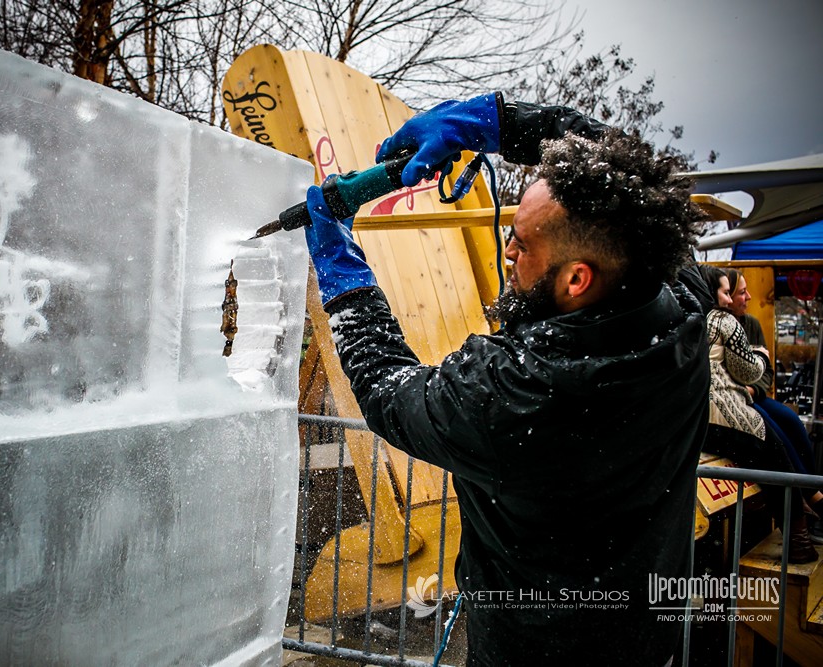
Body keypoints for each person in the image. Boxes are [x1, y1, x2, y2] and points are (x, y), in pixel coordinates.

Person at [302, 92, 709, 666]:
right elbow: (613, 169)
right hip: (646, 634)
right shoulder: (674, 299)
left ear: (576, 279)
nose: (508, 247)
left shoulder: (519, 395)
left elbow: (389, 392)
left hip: (538, 650)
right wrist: (488, 123)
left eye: (524, 243)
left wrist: (343, 277)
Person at [698, 265, 819, 562]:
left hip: (698, 418)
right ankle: (800, 541)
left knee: (784, 427)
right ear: (711, 291)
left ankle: (810, 506)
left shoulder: (688, 320)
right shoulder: (725, 321)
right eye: (727, 292)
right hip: (729, 413)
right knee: (778, 462)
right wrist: (762, 359)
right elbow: (749, 371)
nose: (729, 299)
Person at [725, 268, 817, 476]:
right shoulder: (715, 325)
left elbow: (766, 370)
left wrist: (753, 389)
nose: (748, 297)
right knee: (771, 428)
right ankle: (803, 491)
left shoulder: (751, 324)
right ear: (727, 297)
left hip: (752, 395)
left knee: (791, 420)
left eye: (747, 291)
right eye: (741, 293)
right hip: (731, 400)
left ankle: (810, 481)